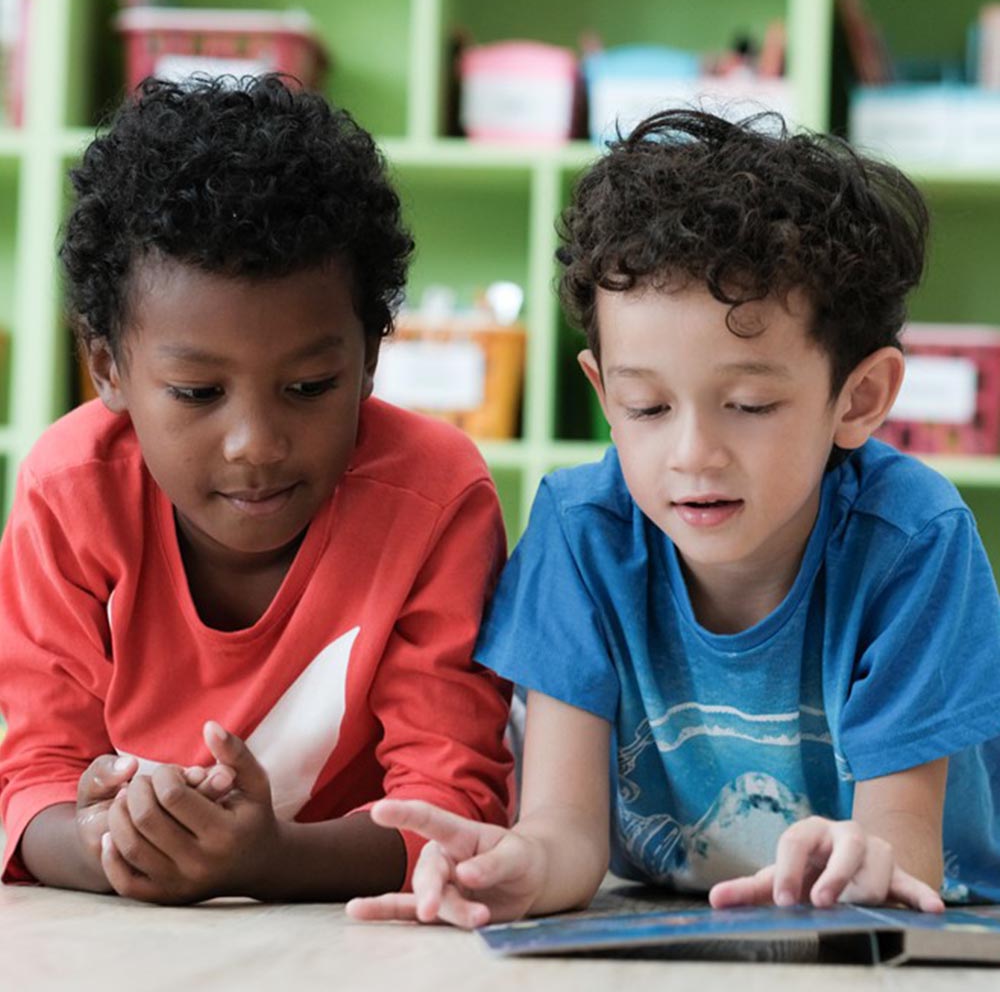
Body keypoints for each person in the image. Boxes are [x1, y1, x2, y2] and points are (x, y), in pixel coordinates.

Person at [347, 109, 1000, 929]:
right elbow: (565, 834)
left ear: (859, 399)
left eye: (750, 404)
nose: (694, 453)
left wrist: (858, 864)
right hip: (684, 922)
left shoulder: (913, 540)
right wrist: (519, 865)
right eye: (647, 406)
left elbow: (900, 849)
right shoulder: (579, 531)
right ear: (602, 393)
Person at [0, 75, 513, 904]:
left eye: (310, 385)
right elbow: (36, 782)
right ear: (107, 369)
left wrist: (268, 860)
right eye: (199, 394)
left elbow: (455, 810)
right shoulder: (69, 495)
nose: (257, 444)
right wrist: (112, 844)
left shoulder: (437, 500)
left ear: (371, 359)